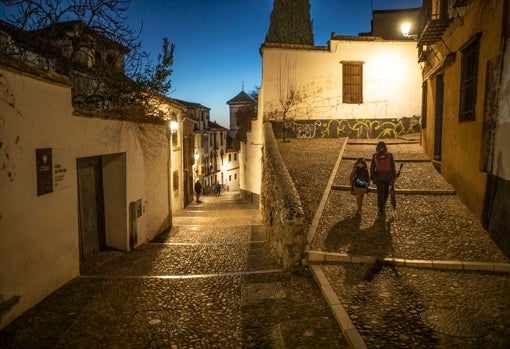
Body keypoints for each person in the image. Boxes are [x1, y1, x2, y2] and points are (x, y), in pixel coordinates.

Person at [370, 141, 396, 216]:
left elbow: (372, 167)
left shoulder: (375, 155)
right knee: (386, 191)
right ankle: (384, 203)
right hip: (388, 176)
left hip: (379, 177)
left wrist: (372, 177)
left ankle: (380, 209)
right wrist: (394, 176)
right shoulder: (389, 155)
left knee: (379, 193)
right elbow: (392, 166)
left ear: (377, 147)